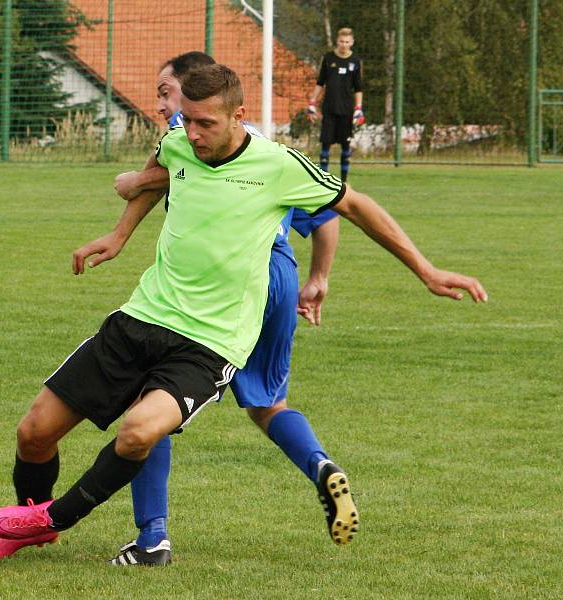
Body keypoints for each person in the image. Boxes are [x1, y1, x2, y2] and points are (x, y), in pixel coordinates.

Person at [0, 64, 487, 564]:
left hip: (210, 343)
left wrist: (426, 270)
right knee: (34, 432)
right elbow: (159, 178)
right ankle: (31, 521)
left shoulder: (277, 165)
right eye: (187, 119)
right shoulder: (177, 142)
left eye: (205, 123)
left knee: (139, 432)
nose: (191, 132)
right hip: (142, 317)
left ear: (239, 115)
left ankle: (53, 519)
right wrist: (119, 234)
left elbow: (356, 206)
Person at [103, 51, 343, 566]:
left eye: (167, 91)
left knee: (151, 405)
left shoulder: (194, 134)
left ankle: (153, 537)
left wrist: (136, 181)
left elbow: (167, 175)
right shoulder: (256, 144)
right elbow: (327, 214)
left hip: (236, 283)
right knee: (267, 404)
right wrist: (318, 278)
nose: (165, 105)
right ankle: (320, 465)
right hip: (282, 274)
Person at [307, 27, 364, 183]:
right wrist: (312, 103)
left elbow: (358, 88)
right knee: (325, 144)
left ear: (352, 43)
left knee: (345, 146)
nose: (344, 45)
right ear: (337, 42)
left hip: (346, 110)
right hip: (329, 108)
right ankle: (324, 180)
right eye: (341, 41)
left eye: (347, 42)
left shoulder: (356, 61)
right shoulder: (328, 58)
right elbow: (320, 83)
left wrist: (359, 108)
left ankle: (344, 181)